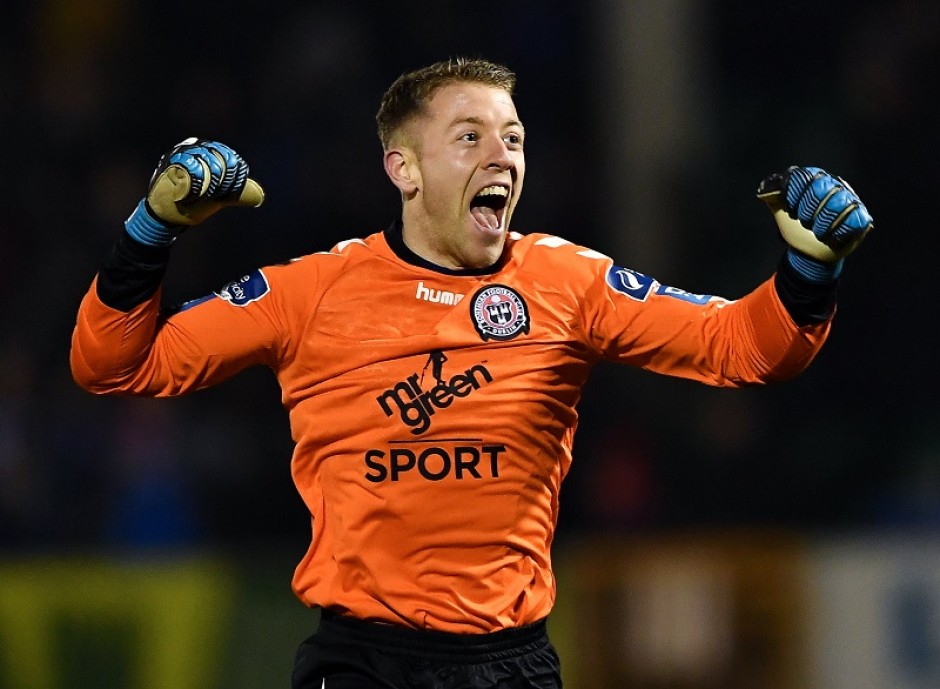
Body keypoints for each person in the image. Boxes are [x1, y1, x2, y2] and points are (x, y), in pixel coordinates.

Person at [70, 57, 873, 689]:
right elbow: (111, 366)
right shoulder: (310, 294)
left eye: (513, 138)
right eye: (470, 137)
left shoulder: (569, 283)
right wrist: (150, 229)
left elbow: (746, 346)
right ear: (404, 169)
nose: (503, 156)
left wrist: (810, 271)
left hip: (512, 665)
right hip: (363, 662)